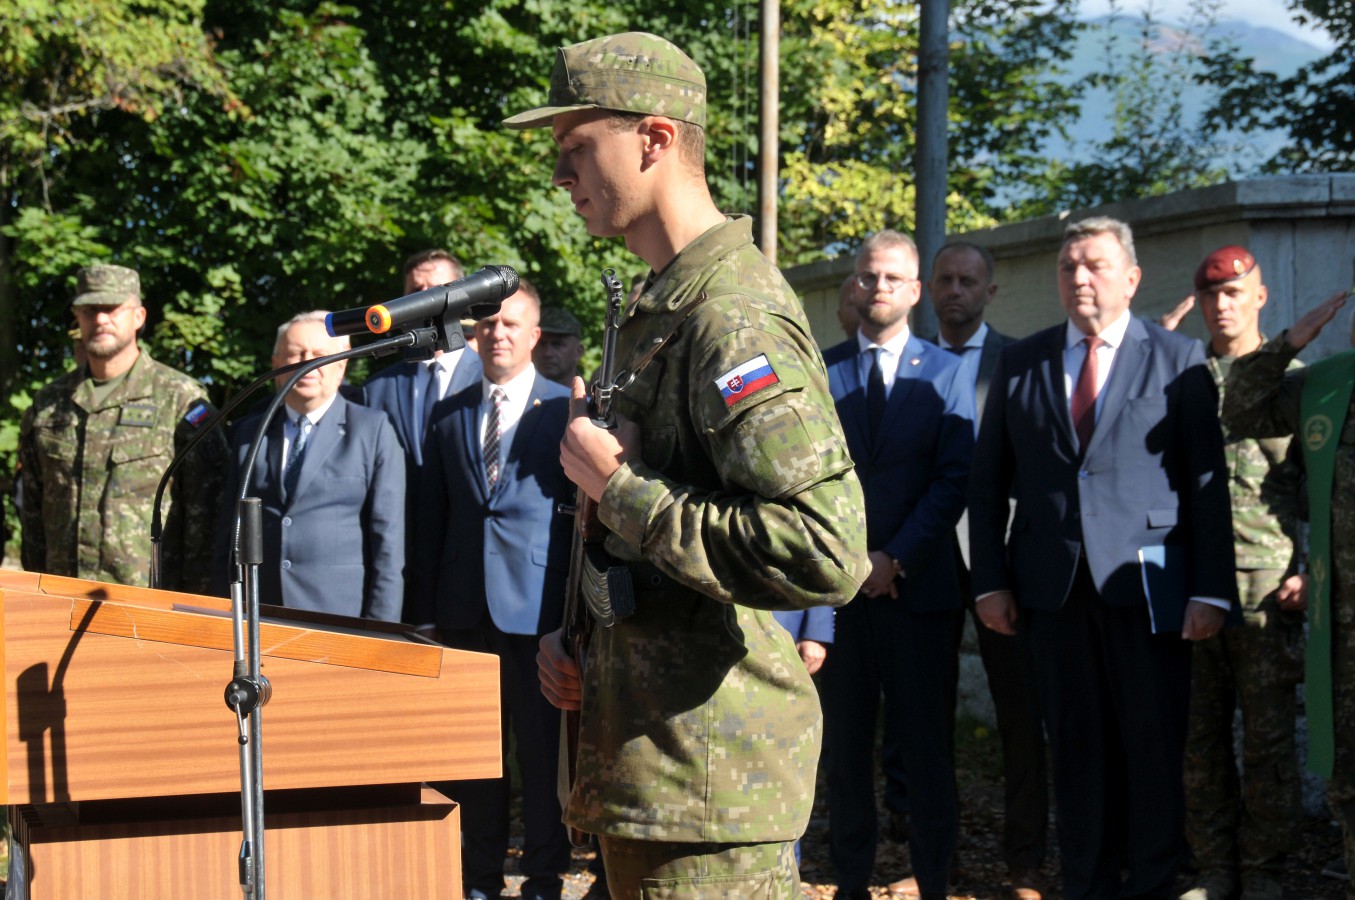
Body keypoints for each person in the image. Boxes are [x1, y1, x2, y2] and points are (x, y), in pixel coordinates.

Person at [506, 31, 870, 897]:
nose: (559, 175)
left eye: (575, 147)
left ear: (655, 139)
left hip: (709, 790)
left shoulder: (730, 317)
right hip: (655, 774)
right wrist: (584, 637)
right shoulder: (661, 307)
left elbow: (824, 550)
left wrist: (620, 489)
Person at [968, 216, 1237, 900]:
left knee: (1152, 745)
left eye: (1094, 265)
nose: (1079, 278)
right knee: (1076, 747)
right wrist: (989, 582)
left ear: (1132, 278)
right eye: (1068, 267)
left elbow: (1206, 485)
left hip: (1149, 587)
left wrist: (1210, 590)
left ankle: (1152, 881)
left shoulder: (1176, 358)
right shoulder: (1020, 362)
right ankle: (1086, 883)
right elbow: (987, 482)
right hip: (1050, 589)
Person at [819, 229, 973, 900]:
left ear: (915, 291)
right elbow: (808, 478)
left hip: (920, 592)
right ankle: (849, 880)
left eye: (891, 278)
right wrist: (854, 562)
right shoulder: (820, 371)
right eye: (867, 275)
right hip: (841, 593)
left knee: (926, 750)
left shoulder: (947, 372)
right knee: (844, 752)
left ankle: (934, 878)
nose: (877, 286)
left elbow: (952, 479)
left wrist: (894, 557)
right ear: (853, 285)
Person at [410, 281, 573, 900]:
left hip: (538, 612)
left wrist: (575, 617)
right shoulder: (448, 414)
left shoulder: (565, 408)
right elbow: (430, 519)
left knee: (540, 755)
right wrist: (425, 614)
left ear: (535, 336)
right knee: (475, 759)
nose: (497, 333)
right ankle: (479, 880)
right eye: (487, 325)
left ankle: (543, 878)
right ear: (474, 335)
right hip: (463, 612)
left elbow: (578, 518)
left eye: (510, 324)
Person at [1167, 247, 1307, 900]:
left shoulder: (1294, 384)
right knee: (1199, 742)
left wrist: (1311, 572)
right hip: (1192, 585)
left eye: (1233, 292)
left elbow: (1324, 487)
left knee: (1268, 742)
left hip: (1266, 590)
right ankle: (1213, 868)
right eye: (1210, 294)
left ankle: (1263, 871)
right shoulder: (1178, 376)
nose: (1221, 305)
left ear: (1260, 296)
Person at [1220, 283, 1355, 899]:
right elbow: (1242, 407)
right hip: (1340, 627)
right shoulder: (1330, 384)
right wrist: (1289, 343)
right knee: (1348, 780)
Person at [930, 240, 1049, 899]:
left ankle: (1024, 858)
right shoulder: (908, 362)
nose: (956, 290)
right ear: (929, 288)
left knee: (1020, 717)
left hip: (999, 560)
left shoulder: (1020, 362)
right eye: (945, 279)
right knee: (925, 716)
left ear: (989, 292)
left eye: (968, 281)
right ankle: (931, 855)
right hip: (923, 560)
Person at [19, 264, 224, 593]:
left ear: (139, 317)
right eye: (89, 310)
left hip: (146, 600)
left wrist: (192, 604)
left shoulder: (179, 400)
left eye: (112, 308)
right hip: (61, 595)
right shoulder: (49, 404)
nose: (100, 319)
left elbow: (210, 514)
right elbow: (32, 508)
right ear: (78, 317)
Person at [216, 311, 405, 620]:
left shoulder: (372, 431)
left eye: (319, 355)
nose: (307, 363)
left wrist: (380, 628)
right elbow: (229, 535)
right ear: (276, 365)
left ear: (341, 366)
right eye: (296, 354)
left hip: (341, 618)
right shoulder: (250, 433)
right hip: (259, 615)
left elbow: (389, 545)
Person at [360, 249, 482, 620]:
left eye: (437, 289)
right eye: (416, 291)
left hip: (470, 576)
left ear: (461, 297)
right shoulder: (376, 390)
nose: (425, 299)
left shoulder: (490, 382)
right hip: (396, 571)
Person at [534, 306, 586, 387]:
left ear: (578, 352)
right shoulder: (517, 391)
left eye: (557, 345)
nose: (547, 353)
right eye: (541, 343)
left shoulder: (591, 393)